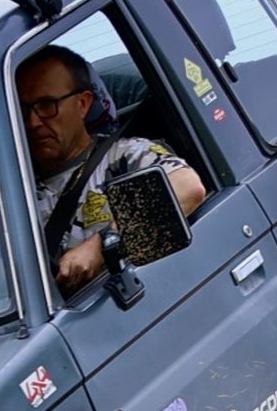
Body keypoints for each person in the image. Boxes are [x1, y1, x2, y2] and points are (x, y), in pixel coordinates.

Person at [10, 46, 206, 291]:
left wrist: (102, 244)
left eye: (47, 105)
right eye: (23, 110)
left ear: (83, 104)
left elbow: (188, 188)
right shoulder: (6, 186)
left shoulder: (125, 156)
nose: (33, 122)